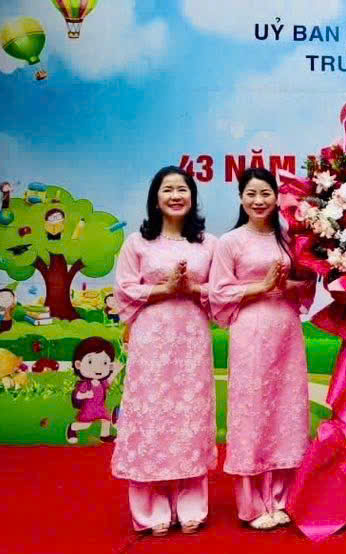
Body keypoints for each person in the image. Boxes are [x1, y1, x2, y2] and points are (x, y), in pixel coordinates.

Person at [111, 166, 218, 536]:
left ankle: (191, 504)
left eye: (182, 189)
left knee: (190, 416)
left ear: (192, 197)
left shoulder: (208, 244)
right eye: (168, 189)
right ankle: (151, 507)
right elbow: (124, 289)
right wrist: (164, 289)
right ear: (155, 198)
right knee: (152, 418)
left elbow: (220, 290)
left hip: (192, 339)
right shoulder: (137, 243)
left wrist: (192, 289)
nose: (175, 196)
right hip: (152, 339)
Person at [209, 167, 316, 531]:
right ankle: (253, 505)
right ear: (241, 198)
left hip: (286, 331)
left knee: (287, 411)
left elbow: (307, 284)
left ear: (276, 198)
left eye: (265, 193)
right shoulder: (230, 242)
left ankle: (283, 499)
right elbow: (219, 292)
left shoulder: (289, 239)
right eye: (251, 194)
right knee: (252, 411)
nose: (258, 201)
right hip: (250, 332)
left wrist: (289, 285)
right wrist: (260, 287)